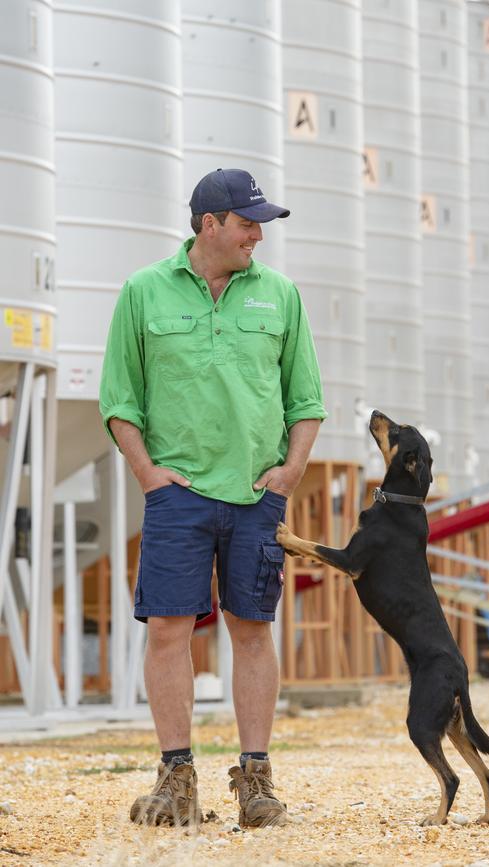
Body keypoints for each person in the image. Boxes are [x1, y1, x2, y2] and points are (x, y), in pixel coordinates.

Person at [99, 168, 326, 828]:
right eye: (248, 221)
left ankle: (255, 781)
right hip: (178, 494)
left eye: (260, 222)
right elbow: (120, 398)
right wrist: (146, 473)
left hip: (256, 496)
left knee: (251, 630)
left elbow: (305, 399)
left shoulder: (280, 295)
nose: (259, 233)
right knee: (169, 630)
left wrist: (289, 472)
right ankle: (176, 779)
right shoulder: (144, 291)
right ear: (209, 225)